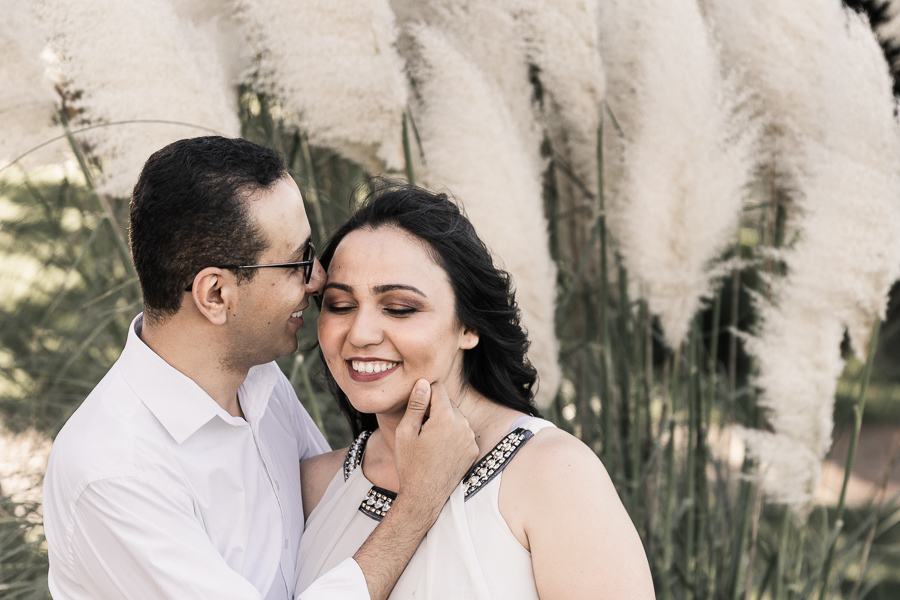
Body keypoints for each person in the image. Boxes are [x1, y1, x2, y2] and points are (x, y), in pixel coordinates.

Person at [42, 137, 478, 600]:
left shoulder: (259, 381)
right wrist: (419, 501)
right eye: (298, 261)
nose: (318, 279)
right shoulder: (114, 471)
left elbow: (334, 511)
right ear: (215, 294)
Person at [296, 184, 656, 599]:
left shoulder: (555, 475)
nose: (360, 334)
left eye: (399, 308)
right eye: (340, 306)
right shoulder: (313, 486)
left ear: (469, 326)